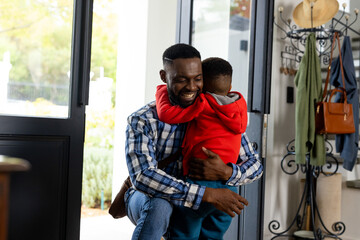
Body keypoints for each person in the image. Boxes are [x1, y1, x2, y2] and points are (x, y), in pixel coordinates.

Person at [125, 43, 263, 240]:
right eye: (181, 80)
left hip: (195, 202)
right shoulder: (143, 119)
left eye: (197, 79)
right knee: (159, 208)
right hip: (149, 196)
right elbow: (143, 177)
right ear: (164, 77)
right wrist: (206, 194)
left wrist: (227, 171)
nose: (191, 87)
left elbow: (255, 165)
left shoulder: (217, 115)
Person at [155, 57, 248, 239]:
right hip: (230, 191)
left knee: (184, 234)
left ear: (202, 85)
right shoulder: (239, 106)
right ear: (229, 88)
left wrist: (162, 90)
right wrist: (229, 172)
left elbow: (167, 114)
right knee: (213, 236)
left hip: (199, 185)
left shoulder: (203, 102)